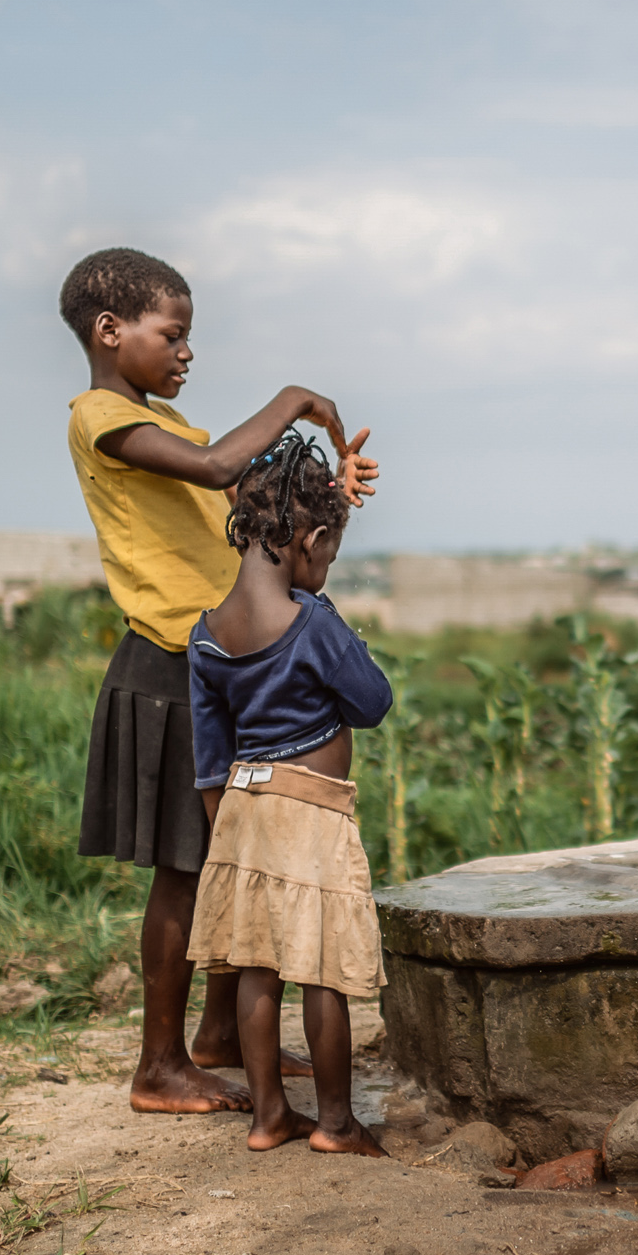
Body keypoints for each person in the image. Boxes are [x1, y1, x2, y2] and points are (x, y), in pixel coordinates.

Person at [60, 247, 377, 1114]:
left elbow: (246, 489)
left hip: (214, 662)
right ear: (110, 329)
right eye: (175, 333)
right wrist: (295, 396)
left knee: (227, 852)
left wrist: (328, 491)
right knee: (184, 864)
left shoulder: (168, 424)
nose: (187, 352)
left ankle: (219, 1035)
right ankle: (158, 1066)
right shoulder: (101, 417)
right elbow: (213, 469)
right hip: (167, 665)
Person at [187, 433, 393, 1154]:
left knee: (256, 965)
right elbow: (373, 702)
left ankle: (270, 1116)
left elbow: (209, 758)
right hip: (309, 811)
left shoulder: (206, 635)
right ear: (308, 539)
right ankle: (336, 1122)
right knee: (322, 972)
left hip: (241, 812)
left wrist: (228, 844)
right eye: (327, 555)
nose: (324, 569)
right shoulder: (312, 624)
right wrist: (331, 609)